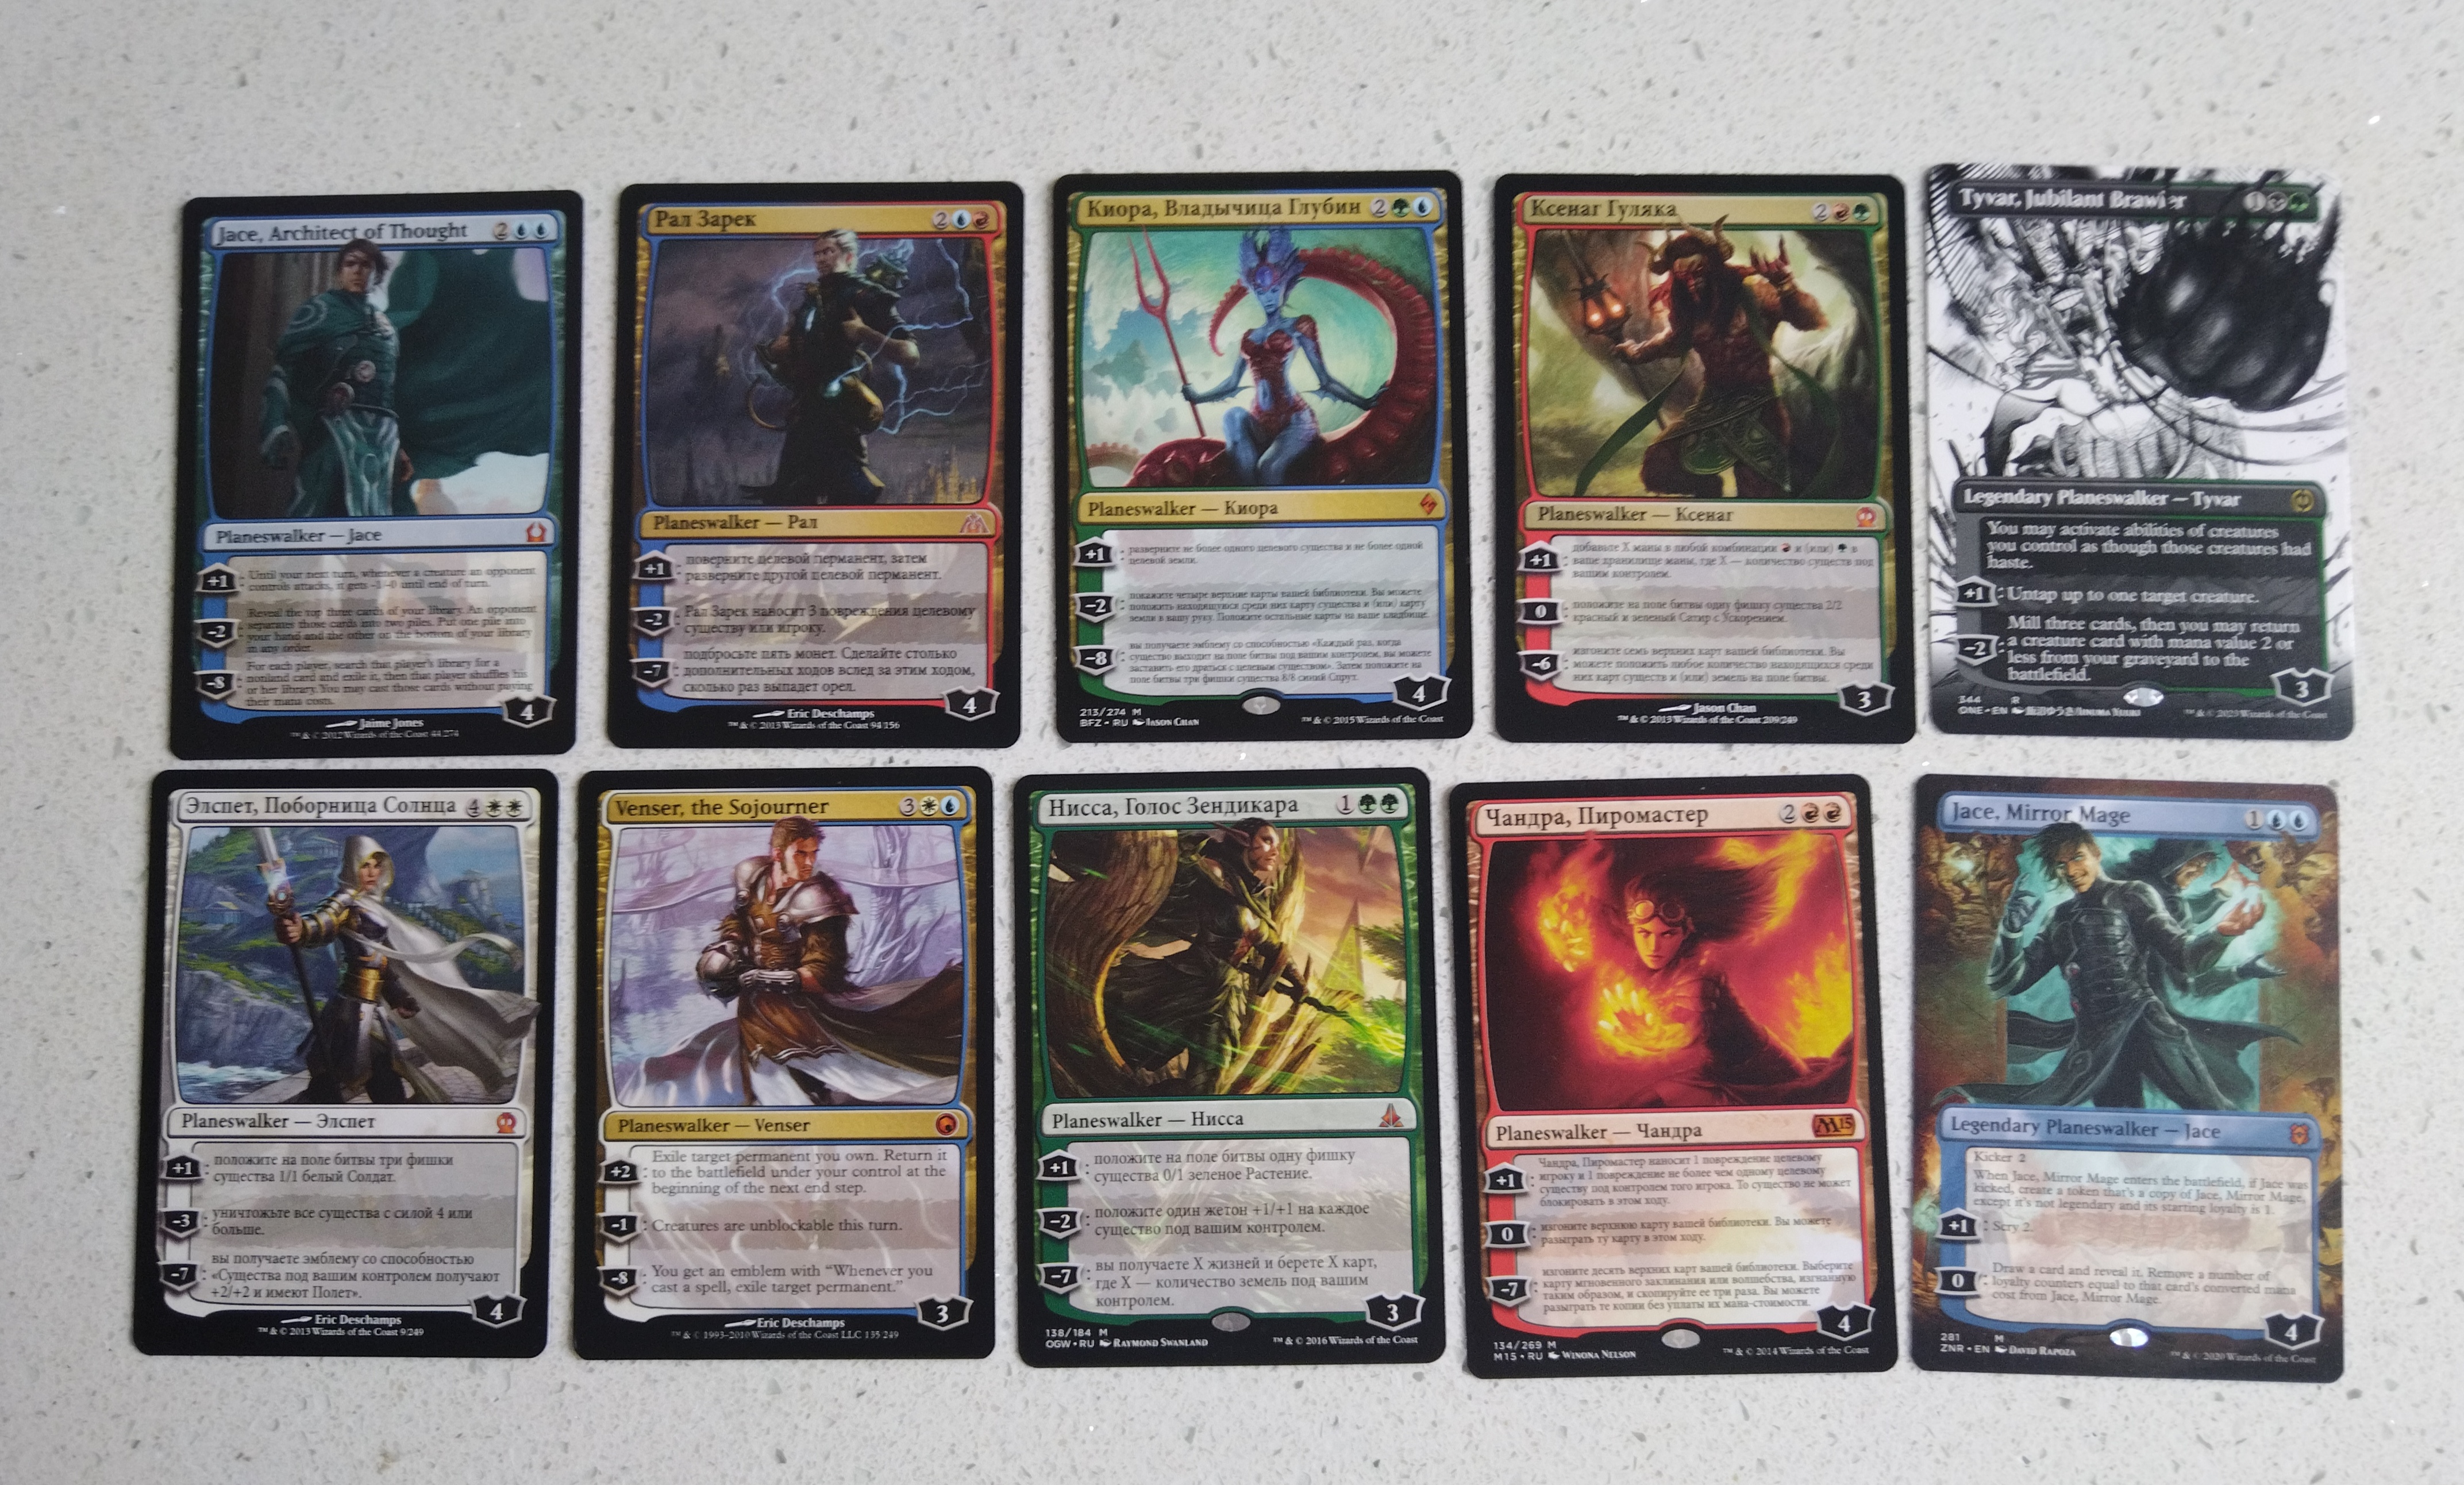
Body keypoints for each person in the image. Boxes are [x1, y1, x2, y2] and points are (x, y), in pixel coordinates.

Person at [1946, 821, 2291, 1110]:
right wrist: (2010, 932)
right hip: (2096, 1047)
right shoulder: (2060, 918)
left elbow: (2186, 958)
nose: (2072, 871)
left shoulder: (2133, 895)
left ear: (2095, 853)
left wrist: (2222, 934)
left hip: (2148, 1026)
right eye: (2061, 865)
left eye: (2077, 858)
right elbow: (2007, 983)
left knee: (2214, 1112)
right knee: (2120, 1127)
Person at [633, 817, 962, 1105]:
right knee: (760, 1070)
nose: (809, 862)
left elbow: (825, 973)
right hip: (756, 1005)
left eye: (813, 853)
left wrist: (762, 979)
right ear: (778, 854)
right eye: (800, 854)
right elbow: (740, 920)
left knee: (828, 1070)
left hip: (801, 1007)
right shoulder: (753, 875)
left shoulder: (819, 898)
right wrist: (729, 945)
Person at [272, 836, 537, 1103]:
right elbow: (320, 923)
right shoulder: (343, 901)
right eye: (365, 866)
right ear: (352, 866)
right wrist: (299, 928)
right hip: (351, 1010)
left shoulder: (369, 904)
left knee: (372, 1072)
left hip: (370, 1008)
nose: (372, 873)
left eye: (377, 866)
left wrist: (398, 996)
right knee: (351, 1076)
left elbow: (380, 960)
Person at [1605, 861, 1854, 1108]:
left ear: (1686, 933)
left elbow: (1686, 1034)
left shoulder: (1699, 972)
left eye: (1667, 934)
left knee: (1645, 1107)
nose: (1653, 947)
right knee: (1638, 1107)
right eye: (1644, 933)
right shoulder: (1665, 960)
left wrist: (1644, 1034)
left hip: (1764, 1076)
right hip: (1718, 1071)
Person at [1615, 222, 1826, 498]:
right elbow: (1674, 341)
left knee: (1759, 495)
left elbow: (1810, 320)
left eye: (1699, 268)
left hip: (1758, 407)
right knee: (1659, 468)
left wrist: (1786, 287)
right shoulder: (1690, 312)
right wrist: (1637, 352)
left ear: (1714, 265)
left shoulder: (1753, 293)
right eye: (1683, 273)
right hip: (1711, 407)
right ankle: (1709, 495)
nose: (1693, 280)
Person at [742, 230, 919, 505]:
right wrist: (780, 348)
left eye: (828, 252)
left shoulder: (864, 295)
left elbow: (910, 354)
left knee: (849, 497)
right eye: (817, 253)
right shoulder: (812, 299)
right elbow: (791, 343)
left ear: (849, 256)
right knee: (791, 499)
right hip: (804, 416)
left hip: (838, 416)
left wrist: (864, 332)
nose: (821, 259)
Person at [260, 238, 414, 518]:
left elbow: (386, 391)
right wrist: (274, 425)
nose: (357, 271)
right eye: (350, 263)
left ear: (378, 274)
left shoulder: (387, 329)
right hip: (333, 431)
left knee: (373, 524)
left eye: (366, 265)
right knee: (311, 515)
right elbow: (284, 370)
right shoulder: (321, 311)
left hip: (382, 442)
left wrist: (400, 447)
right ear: (340, 271)